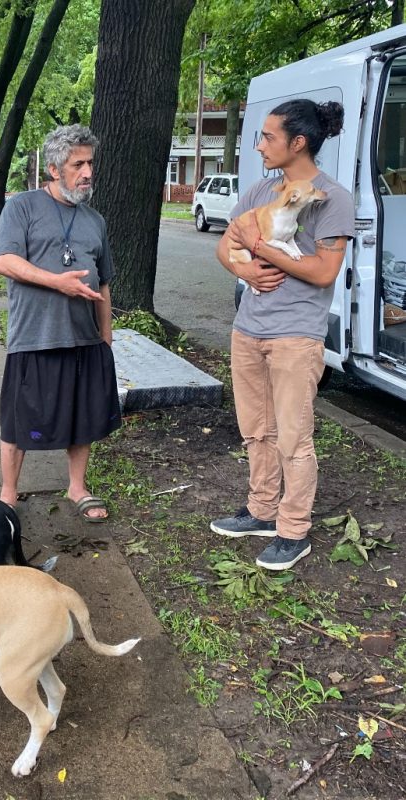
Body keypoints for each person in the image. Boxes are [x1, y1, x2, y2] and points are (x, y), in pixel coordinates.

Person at [210, 100, 355, 570]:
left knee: (294, 436)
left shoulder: (332, 197)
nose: (259, 145)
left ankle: (294, 529)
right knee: (256, 429)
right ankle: (261, 510)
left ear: (299, 142)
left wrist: (257, 248)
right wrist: (248, 270)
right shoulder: (260, 190)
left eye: (268, 137)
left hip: (296, 336)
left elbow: (323, 271)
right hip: (247, 329)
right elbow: (223, 247)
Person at [0, 124, 121, 522]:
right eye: (77, 164)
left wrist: (106, 338)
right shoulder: (22, 207)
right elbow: (4, 262)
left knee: (81, 419)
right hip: (34, 336)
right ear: (54, 169)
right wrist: (55, 282)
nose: (87, 172)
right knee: (18, 421)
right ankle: (8, 495)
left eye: (89, 164)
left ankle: (77, 487)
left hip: (83, 338)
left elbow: (103, 281)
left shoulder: (94, 220)